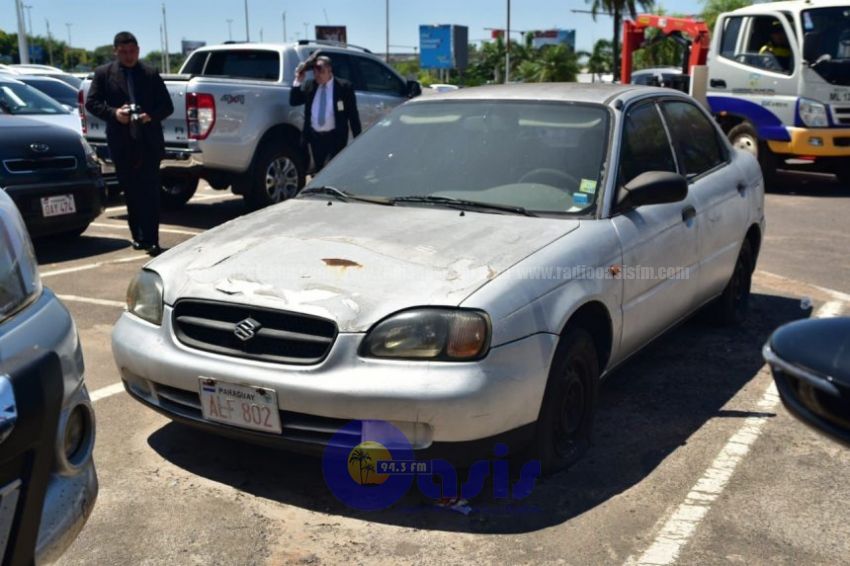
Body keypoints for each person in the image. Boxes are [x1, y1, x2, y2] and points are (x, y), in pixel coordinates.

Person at [85, 31, 174, 256]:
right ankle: (138, 236)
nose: (129, 56)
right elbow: (92, 103)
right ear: (115, 51)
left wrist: (149, 116)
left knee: (151, 192)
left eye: (132, 51)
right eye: (123, 52)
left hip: (148, 142)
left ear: (138, 50)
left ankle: (153, 239)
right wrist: (115, 113)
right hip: (122, 142)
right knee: (131, 191)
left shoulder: (150, 73)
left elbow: (167, 106)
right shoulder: (104, 73)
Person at [289, 54, 361, 172]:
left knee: (332, 170)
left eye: (320, 71)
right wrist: (298, 80)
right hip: (315, 138)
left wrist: (358, 139)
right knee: (319, 169)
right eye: (315, 72)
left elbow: (353, 115)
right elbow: (294, 101)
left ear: (329, 70)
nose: (317, 75)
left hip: (335, 138)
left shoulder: (343, 87)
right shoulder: (310, 85)